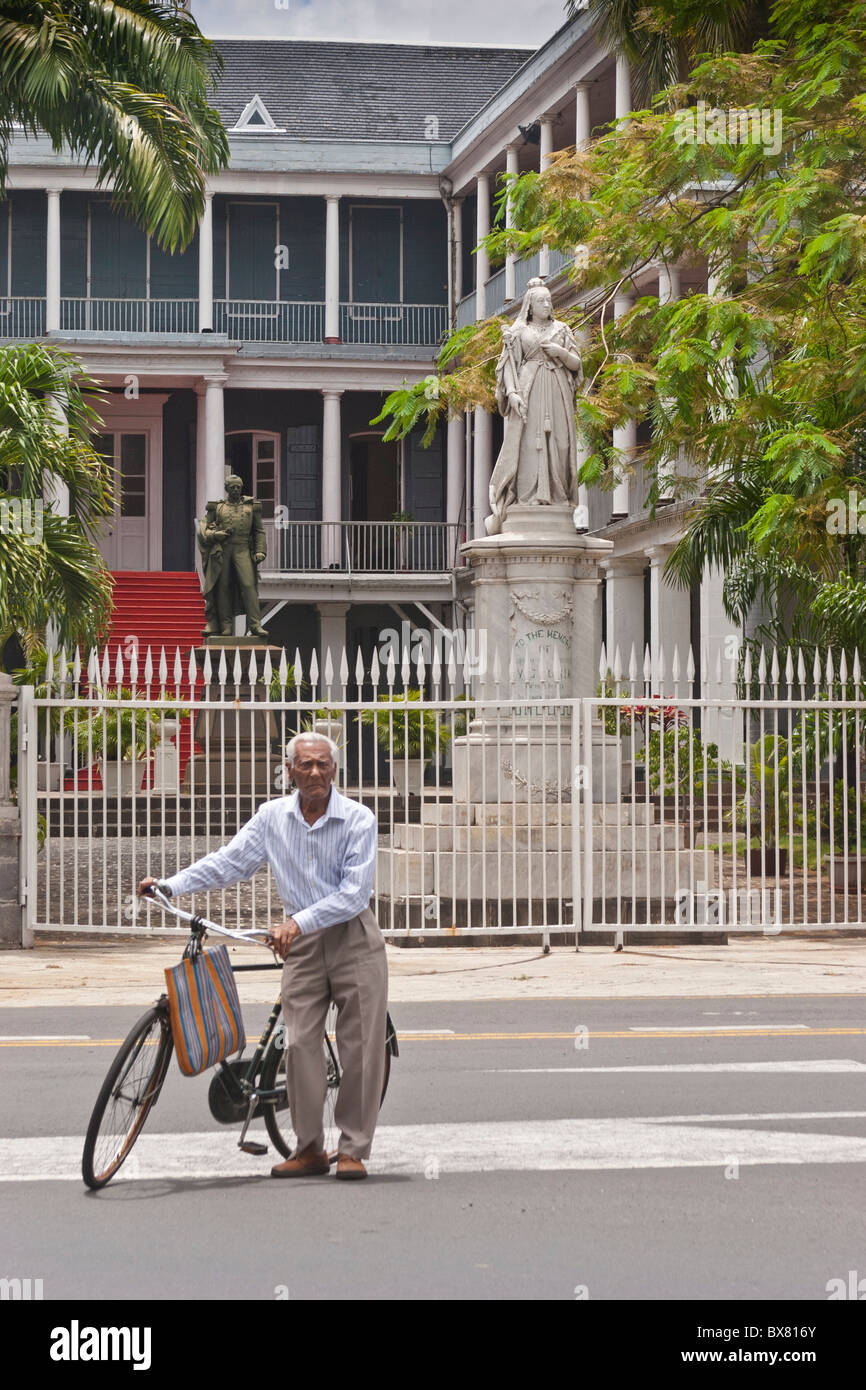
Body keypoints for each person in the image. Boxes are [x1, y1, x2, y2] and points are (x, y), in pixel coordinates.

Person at [138, 732, 388, 1181]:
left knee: (362, 1048)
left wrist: (297, 923)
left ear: (335, 770)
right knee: (298, 1045)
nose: (315, 773)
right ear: (289, 771)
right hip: (303, 944)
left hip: (352, 936)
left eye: (323, 765)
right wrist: (171, 885)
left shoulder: (358, 819)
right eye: (305, 765)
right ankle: (309, 1147)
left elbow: (354, 895)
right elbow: (230, 862)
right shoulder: (272, 817)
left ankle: (352, 1149)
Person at [486, 277, 584, 535]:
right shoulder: (518, 332)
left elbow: (576, 363)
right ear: (530, 305)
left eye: (549, 300)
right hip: (528, 390)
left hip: (557, 390)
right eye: (541, 301)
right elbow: (509, 366)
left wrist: (560, 353)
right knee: (528, 445)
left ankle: (557, 495)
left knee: (560, 443)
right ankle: (527, 496)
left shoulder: (562, 330)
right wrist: (513, 394)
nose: (547, 305)